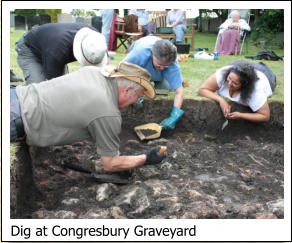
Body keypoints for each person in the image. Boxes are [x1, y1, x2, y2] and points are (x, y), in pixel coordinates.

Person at [10, 61, 167, 172]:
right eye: (138, 96)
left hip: (14, 94)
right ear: (127, 90)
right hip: (15, 118)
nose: (135, 102)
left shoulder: (93, 73)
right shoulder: (107, 112)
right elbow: (110, 164)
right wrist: (146, 158)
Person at [15, 23, 109, 85]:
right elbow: (53, 85)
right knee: (39, 90)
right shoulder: (57, 52)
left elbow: (107, 69)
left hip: (51, 48)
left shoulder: (96, 39)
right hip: (29, 49)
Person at [125, 35, 184, 130]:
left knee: (166, 88)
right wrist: (135, 94)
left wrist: (175, 115)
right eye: (159, 65)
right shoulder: (139, 53)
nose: (161, 68)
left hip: (158, 76)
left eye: (165, 66)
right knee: (135, 84)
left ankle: (156, 79)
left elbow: (179, 91)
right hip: (139, 70)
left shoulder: (172, 63)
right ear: (152, 54)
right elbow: (124, 72)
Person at [197, 60, 277, 123]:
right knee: (241, 63)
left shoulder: (256, 90)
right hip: (245, 68)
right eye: (229, 79)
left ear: (244, 84)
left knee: (263, 67)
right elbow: (202, 90)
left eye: (234, 83)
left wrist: (240, 115)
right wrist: (221, 100)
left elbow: (265, 116)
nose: (229, 84)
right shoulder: (223, 73)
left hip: (265, 76)